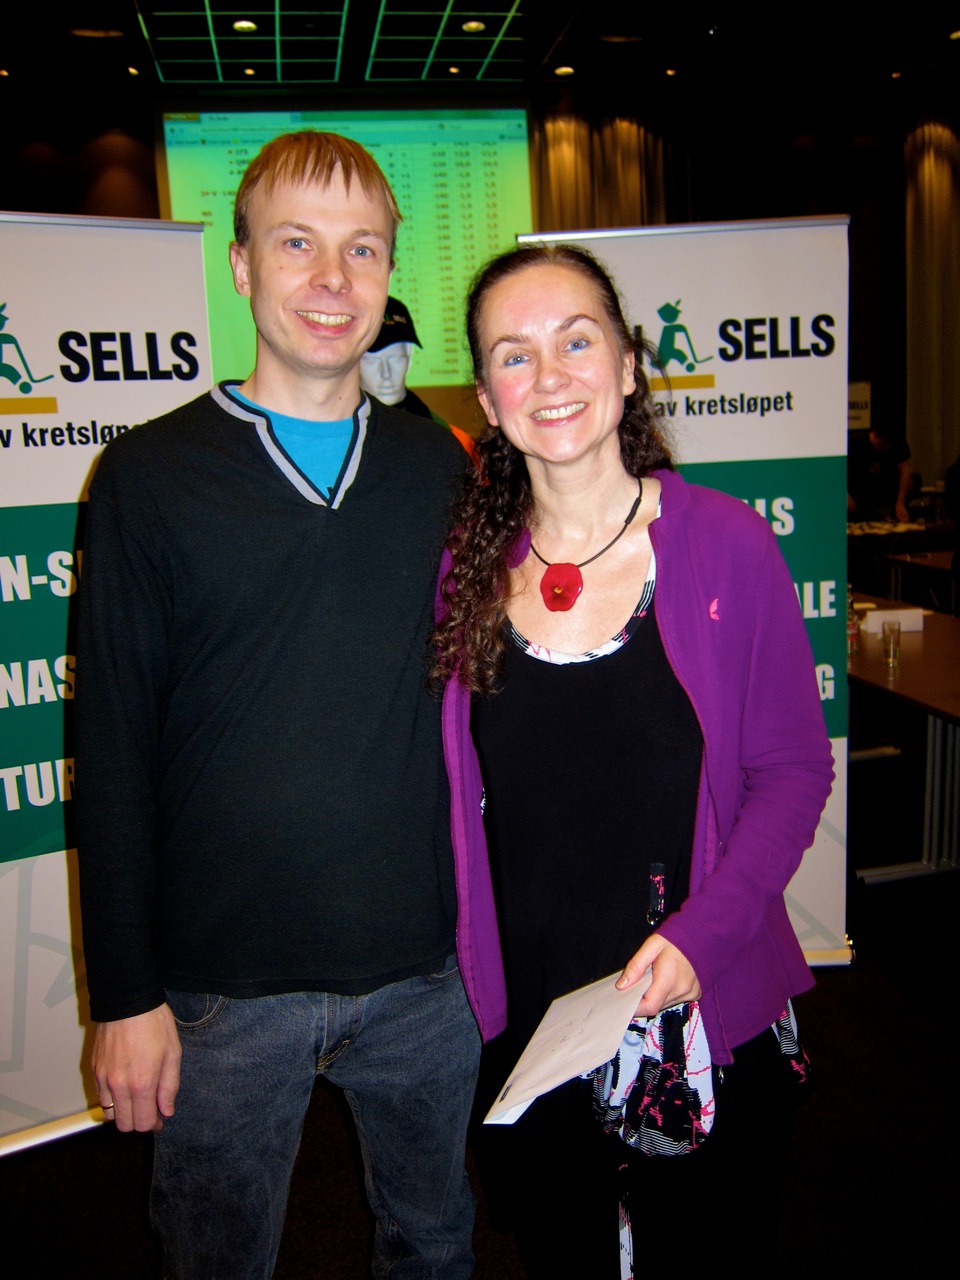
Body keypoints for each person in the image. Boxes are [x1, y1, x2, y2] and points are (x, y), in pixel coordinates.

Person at [75, 131, 505, 1280]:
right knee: (216, 1259)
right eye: (297, 243)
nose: (331, 278)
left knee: (436, 1242)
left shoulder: (440, 470)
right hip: (222, 984)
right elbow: (109, 749)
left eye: (361, 249)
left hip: (422, 968)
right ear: (241, 265)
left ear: (389, 272)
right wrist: (124, 995)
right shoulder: (148, 477)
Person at [430, 244, 834, 1274]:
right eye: (514, 355)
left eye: (577, 341)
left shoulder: (727, 545)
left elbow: (793, 770)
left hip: (701, 1006)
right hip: (537, 1025)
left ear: (626, 362)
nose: (549, 375)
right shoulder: (466, 573)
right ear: (487, 398)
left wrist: (704, 934)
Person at [360, 295, 438, 420]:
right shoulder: (331, 426)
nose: (386, 374)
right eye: (372, 361)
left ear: (409, 355)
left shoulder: (439, 430)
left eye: (396, 359)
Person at [847, 422, 912, 523]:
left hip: (884, 497)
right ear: (874, 435)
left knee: (886, 518)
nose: (883, 450)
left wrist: (900, 503)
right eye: (880, 446)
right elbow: (835, 472)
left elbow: (905, 472)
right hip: (856, 496)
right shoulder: (854, 443)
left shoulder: (898, 442)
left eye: (887, 448)